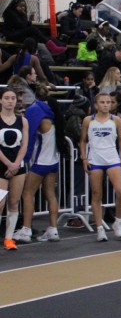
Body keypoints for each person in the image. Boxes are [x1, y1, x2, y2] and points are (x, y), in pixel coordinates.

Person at [14, 84, 65, 243]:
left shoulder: (39, 117)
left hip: (40, 163)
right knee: (50, 194)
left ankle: (26, 230)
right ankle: (53, 230)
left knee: (27, 193)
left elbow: (29, 137)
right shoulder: (54, 119)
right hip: (53, 162)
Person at [80, 92, 121, 241]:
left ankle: (118, 221)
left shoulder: (116, 120)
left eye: (108, 102)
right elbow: (83, 140)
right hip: (95, 159)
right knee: (96, 194)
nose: (106, 105)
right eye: (102, 102)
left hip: (112, 158)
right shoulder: (88, 120)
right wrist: (84, 158)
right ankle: (100, 228)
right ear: (96, 105)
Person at [0, 87, 28, 250]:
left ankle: (9, 238)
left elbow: (24, 144)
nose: (10, 101)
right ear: (1, 100)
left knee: (14, 202)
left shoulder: (22, 121)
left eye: (13, 98)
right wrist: (8, 164)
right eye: (7, 98)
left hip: (18, 166)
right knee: (0, 203)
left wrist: (16, 163)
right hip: (1, 165)